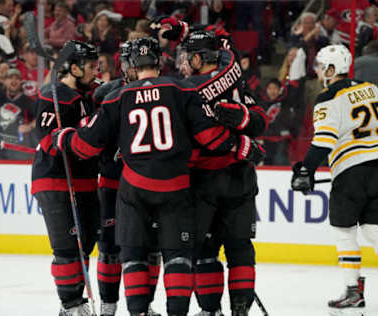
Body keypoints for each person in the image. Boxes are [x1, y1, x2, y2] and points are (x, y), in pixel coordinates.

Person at [53, 36, 259, 316]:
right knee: (177, 257)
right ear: (159, 62)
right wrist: (240, 145)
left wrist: (63, 138)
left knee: (135, 256)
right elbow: (209, 136)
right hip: (176, 186)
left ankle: (138, 312)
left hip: (134, 188)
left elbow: (86, 146)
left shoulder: (117, 96)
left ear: (133, 66)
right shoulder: (181, 89)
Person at [291, 44, 378, 314]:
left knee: (344, 231)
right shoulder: (370, 88)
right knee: (376, 231)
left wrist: (306, 170)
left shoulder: (327, 98)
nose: (317, 70)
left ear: (332, 68)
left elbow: (324, 141)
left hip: (352, 171)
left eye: (321, 65)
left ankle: (353, 292)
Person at [180, 29, 267, 316]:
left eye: (186, 57)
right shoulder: (235, 78)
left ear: (196, 58)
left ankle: (210, 310)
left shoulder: (187, 90)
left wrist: (242, 119)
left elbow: (187, 141)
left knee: (205, 251)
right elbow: (260, 121)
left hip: (204, 181)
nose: (182, 62)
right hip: (239, 176)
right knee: (240, 248)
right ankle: (240, 310)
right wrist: (244, 121)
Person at [30, 40, 100, 316]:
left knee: (86, 243)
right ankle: (70, 305)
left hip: (85, 181)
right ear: (73, 68)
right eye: (92, 67)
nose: (97, 71)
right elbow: (46, 141)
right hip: (55, 181)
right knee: (67, 247)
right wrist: (62, 138)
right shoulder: (53, 95)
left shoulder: (91, 95)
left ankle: (76, 301)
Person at [92, 41, 161, 316]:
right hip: (112, 182)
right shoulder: (106, 94)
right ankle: (109, 306)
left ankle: (146, 305)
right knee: (109, 248)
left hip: (146, 183)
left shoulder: (163, 90)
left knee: (151, 248)